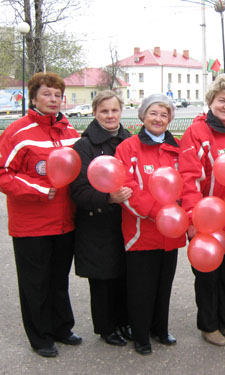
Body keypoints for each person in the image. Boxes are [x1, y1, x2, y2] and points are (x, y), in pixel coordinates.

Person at [0, 72, 82, 358]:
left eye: (58, 95)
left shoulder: (69, 131)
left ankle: (61, 327)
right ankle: (40, 336)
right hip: (31, 225)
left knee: (58, 279)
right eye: (46, 94)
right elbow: (3, 174)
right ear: (33, 97)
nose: (53, 99)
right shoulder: (17, 133)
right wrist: (38, 189)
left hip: (64, 222)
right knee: (35, 283)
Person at [179, 73, 225, 347]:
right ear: (211, 101)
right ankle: (208, 326)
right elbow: (188, 179)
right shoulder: (197, 133)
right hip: (207, 222)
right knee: (207, 276)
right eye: (222, 100)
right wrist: (193, 218)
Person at [114, 94, 185, 355]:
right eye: (153, 113)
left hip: (170, 233)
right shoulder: (128, 148)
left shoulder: (176, 148)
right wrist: (158, 213)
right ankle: (141, 334)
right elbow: (127, 187)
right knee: (141, 287)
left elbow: (185, 185)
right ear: (143, 116)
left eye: (164, 115)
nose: (158, 119)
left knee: (163, 284)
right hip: (141, 232)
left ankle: (160, 328)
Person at [70, 91, 132, 347]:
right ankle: (106, 327)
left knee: (125, 274)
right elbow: (78, 190)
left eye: (114, 110)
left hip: (126, 220)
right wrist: (108, 198)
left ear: (121, 112)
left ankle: (124, 321)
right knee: (103, 278)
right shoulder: (84, 146)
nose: (110, 116)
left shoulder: (129, 141)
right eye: (104, 111)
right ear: (95, 113)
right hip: (97, 222)